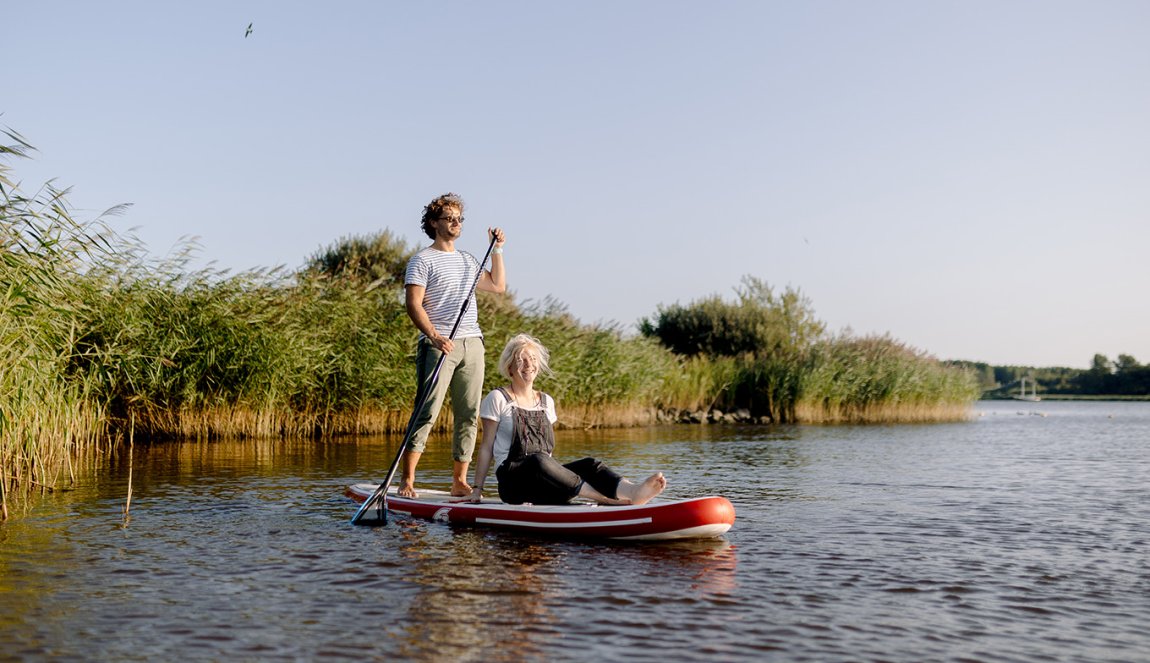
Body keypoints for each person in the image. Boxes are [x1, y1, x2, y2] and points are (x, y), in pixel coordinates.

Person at [464, 334, 667, 506]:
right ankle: (606, 501)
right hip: (513, 486)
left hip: (544, 481)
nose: (528, 365)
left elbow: (547, 452)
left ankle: (633, 492)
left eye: (533, 359)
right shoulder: (498, 398)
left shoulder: (546, 401)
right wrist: (477, 489)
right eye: (521, 360)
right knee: (538, 460)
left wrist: (557, 477)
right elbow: (486, 447)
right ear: (509, 367)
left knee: (590, 464)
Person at [401, 192, 506, 498]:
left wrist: (497, 249)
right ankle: (407, 480)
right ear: (434, 223)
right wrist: (434, 335)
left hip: (472, 343)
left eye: (459, 218)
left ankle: (459, 480)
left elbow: (498, 286)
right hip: (439, 345)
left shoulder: (468, 260)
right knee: (427, 411)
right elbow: (413, 304)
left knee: (469, 413)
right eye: (449, 218)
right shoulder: (421, 260)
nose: (456, 223)